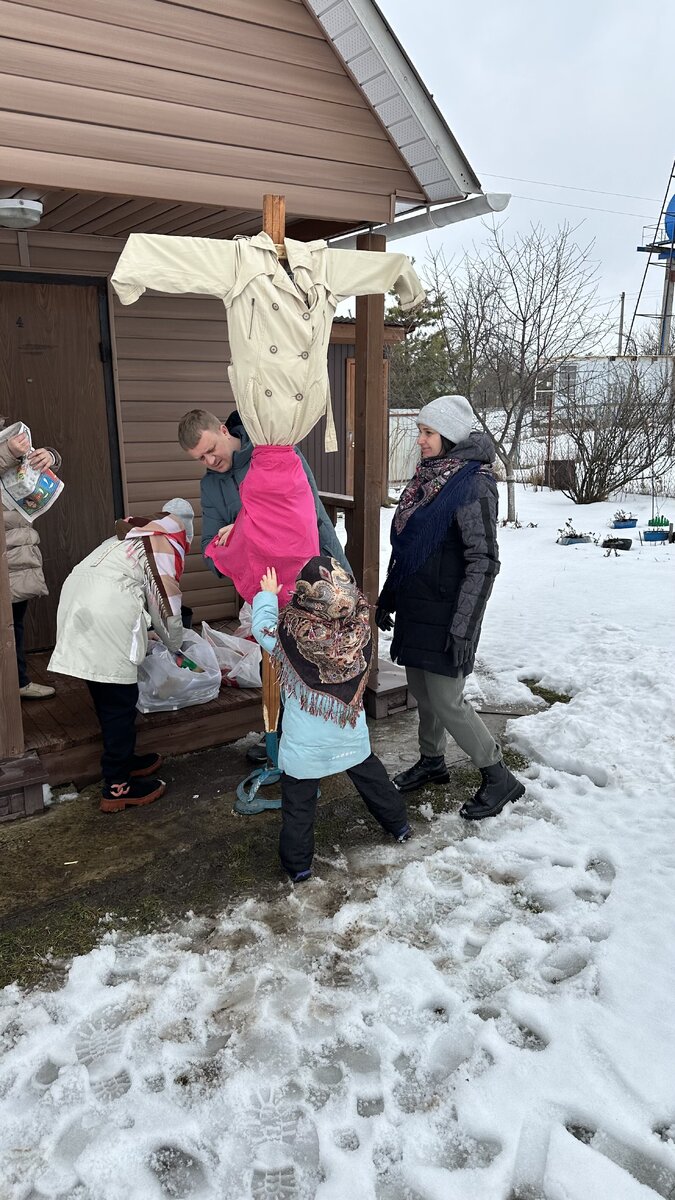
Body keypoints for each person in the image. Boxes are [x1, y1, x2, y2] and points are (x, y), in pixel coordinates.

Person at [376, 395, 525, 821]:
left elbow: (483, 561)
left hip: (449, 611)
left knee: (447, 699)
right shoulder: (429, 477)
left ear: (450, 436)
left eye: (427, 433)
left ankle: (499, 776)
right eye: (420, 432)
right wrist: (390, 595)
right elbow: (407, 547)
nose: (420, 441)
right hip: (417, 604)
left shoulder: (472, 484)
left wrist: (463, 627)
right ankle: (432, 761)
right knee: (421, 691)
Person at [179, 407, 350, 764]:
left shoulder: (271, 454)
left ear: (224, 431)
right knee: (273, 665)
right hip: (266, 591)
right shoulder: (211, 484)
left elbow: (309, 513)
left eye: (212, 449)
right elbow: (211, 546)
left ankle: (326, 737)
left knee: (318, 660)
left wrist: (339, 570)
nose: (211, 461)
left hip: (310, 579)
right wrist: (231, 551)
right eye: (200, 459)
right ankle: (284, 734)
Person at [252, 557, 411, 882]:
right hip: (350, 738)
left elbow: (262, 628)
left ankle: (298, 866)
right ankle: (399, 826)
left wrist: (267, 596)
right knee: (374, 783)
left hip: (304, 747)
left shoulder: (291, 638)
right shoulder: (359, 630)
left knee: (298, 807)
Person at [48, 499, 194, 814]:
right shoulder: (163, 544)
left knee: (105, 693)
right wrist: (176, 646)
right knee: (120, 703)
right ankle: (117, 786)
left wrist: (149, 631)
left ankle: (124, 761)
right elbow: (166, 605)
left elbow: (129, 583)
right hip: (106, 612)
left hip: (77, 606)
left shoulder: (131, 534)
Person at [0, 419, 61, 700]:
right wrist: (8, 453)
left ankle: (19, 681)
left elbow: (35, 461)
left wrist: (49, 456)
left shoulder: (9, 435)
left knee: (16, 618)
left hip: (17, 543)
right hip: (7, 544)